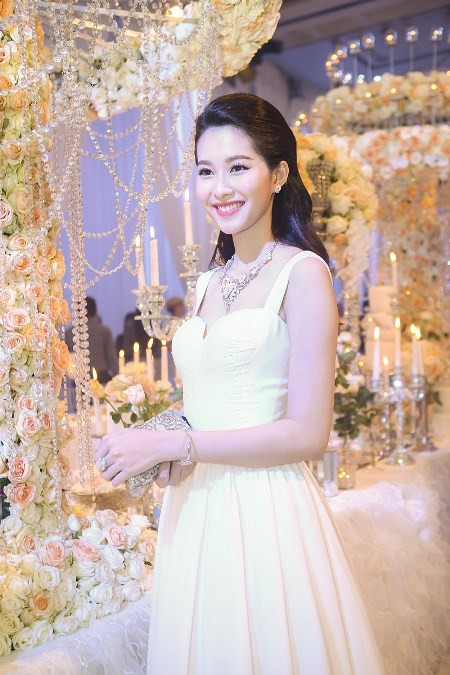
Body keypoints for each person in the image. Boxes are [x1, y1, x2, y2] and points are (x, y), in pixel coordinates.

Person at [96, 93, 384, 674]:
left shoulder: (303, 274)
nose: (219, 188)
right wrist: (157, 439)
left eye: (238, 167)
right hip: (195, 507)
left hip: (265, 508)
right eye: (206, 171)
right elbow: (210, 400)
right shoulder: (208, 283)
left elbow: (307, 433)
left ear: (277, 175)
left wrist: (178, 443)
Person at [66, 296, 118, 384]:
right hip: (102, 379)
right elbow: (112, 359)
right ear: (96, 311)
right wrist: (116, 379)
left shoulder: (69, 333)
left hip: (79, 381)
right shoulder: (103, 330)